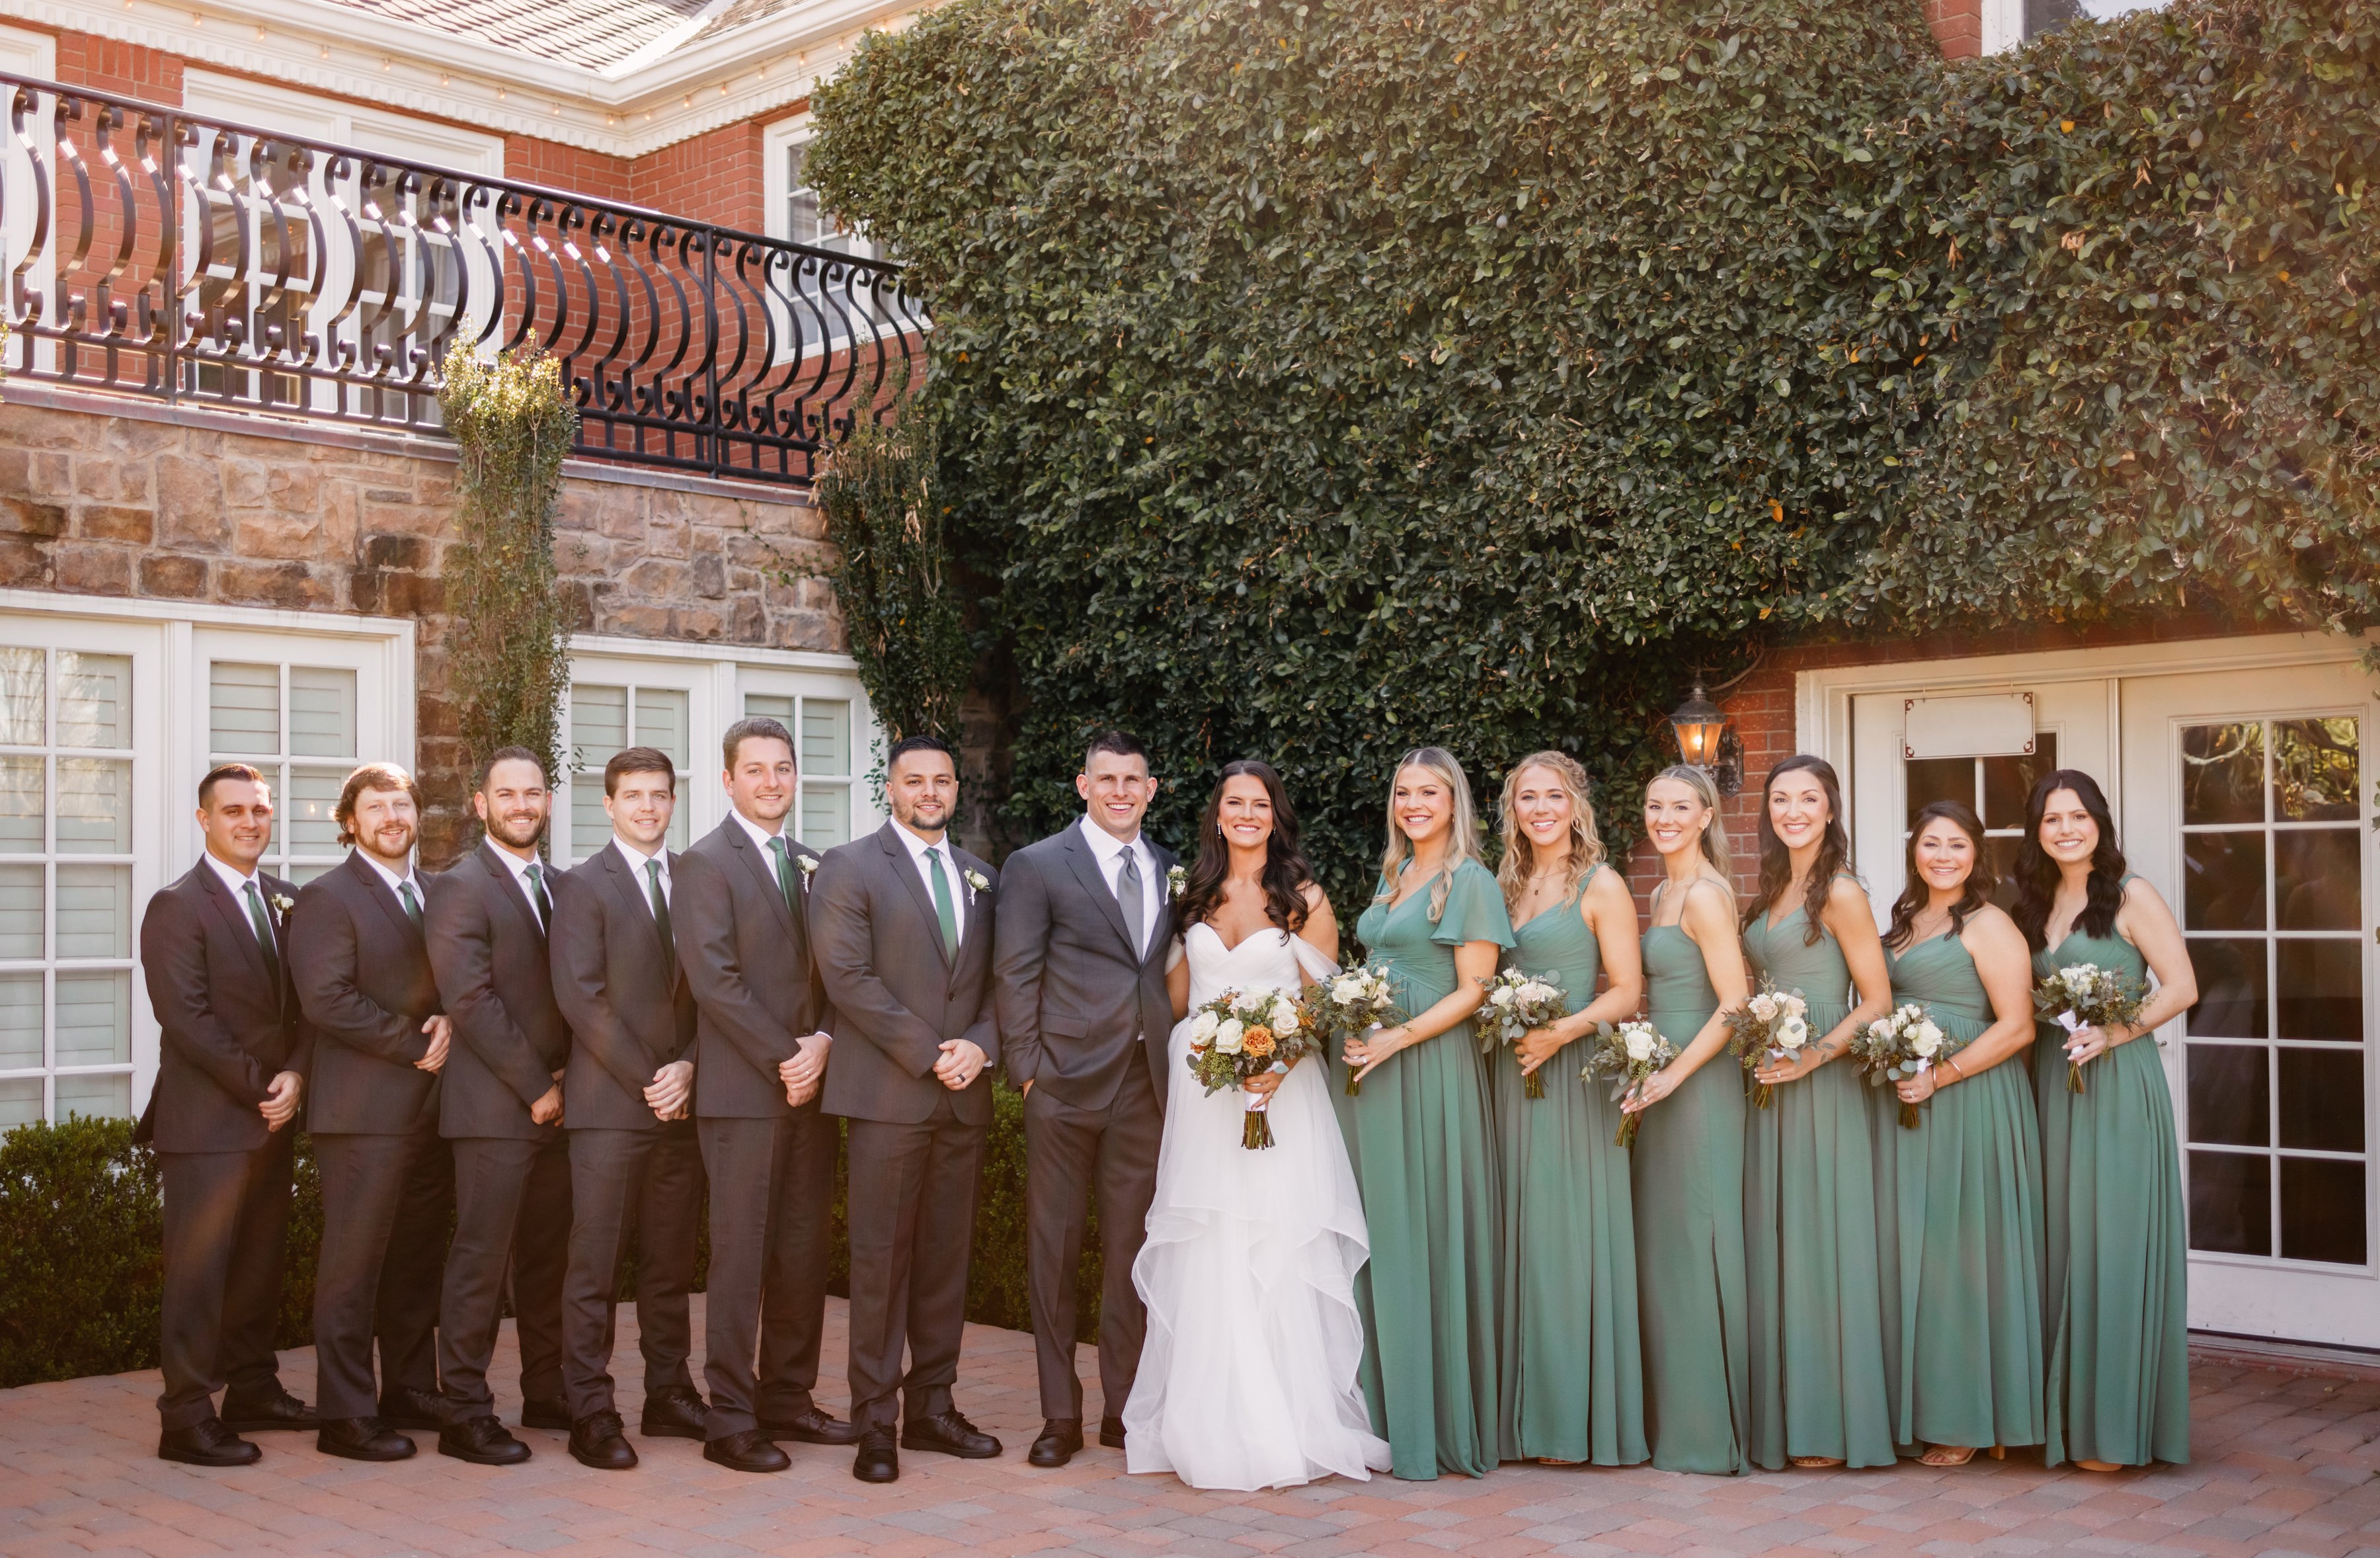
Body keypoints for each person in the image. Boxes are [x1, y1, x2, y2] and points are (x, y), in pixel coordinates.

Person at [1124, 760, 1389, 1490]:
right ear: (1217, 815)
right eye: (1234, 803)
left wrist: (1280, 1058)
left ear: (1276, 815)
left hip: (1284, 1090)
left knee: (1275, 1235)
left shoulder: (1304, 896)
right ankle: (1204, 1418)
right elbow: (1177, 999)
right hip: (1204, 1091)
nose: (1246, 814)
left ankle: (1290, 1420)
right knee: (1210, 1240)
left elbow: (1324, 1000)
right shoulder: (1191, 893)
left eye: (1260, 804)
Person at [813, 734, 1004, 1485]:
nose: (930, 792)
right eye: (915, 780)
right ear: (889, 789)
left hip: (964, 1098)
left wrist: (982, 1045)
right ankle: (876, 1425)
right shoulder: (850, 866)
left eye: (943, 780)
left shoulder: (982, 876)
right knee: (881, 1264)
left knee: (944, 1267)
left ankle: (932, 1410)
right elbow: (848, 977)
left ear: (957, 790)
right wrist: (931, 1051)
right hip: (890, 1098)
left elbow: (1000, 983)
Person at [994, 730, 1179, 1469]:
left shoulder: (1171, 868)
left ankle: (1120, 1408)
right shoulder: (1038, 865)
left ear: (1152, 788)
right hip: (1063, 1085)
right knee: (1054, 1250)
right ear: (1083, 785)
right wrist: (1030, 1073)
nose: (1121, 791)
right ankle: (1058, 1413)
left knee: (1130, 1253)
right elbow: (1014, 973)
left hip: (1144, 1087)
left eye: (1134, 780)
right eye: (1107, 779)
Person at [677, 718, 850, 1474]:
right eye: (756, 770)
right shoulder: (703, 864)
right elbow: (716, 981)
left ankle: (787, 1396)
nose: (772, 781)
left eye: (783, 769)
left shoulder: (813, 864)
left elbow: (844, 969)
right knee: (741, 1258)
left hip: (810, 1090)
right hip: (742, 1092)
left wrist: (824, 1044)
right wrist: (788, 1055)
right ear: (728, 780)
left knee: (802, 1253)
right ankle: (732, 1420)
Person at [1336, 747, 1511, 1480]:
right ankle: (1378, 1413)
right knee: (1380, 1232)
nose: (1414, 803)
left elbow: (1475, 988)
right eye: (1404, 791)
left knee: (1422, 1230)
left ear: (1454, 800)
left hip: (1427, 1068)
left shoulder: (1468, 879)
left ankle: (1429, 1423)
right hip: (1372, 1069)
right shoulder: (1393, 872)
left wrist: (1397, 1037)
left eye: (1429, 792)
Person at [2012, 770, 2192, 1471]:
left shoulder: (2131, 895)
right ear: (2037, 831)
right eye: (2052, 819)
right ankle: (2058, 1415)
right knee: (2060, 1242)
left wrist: (2113, 1035)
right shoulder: (2032, 904)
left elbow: (2183, 985)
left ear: (2100, 822)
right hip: (2055, 1084)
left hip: (2119, 1084)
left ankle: (2113, 1426)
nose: (2065, 829)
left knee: (2112, 1246)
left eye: (2078, 816)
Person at [139, 762, 312, 1467]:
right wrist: (261, 1086)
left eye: (260, 810)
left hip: (272, 1119)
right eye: (234, 810)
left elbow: (308, 1002)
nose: (250, 822)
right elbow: (187, 1018)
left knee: (258, 1265)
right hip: (207, 1125)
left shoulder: (286, 900)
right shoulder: (176, 905)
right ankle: (183, 1416)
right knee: (199, 1273)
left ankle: (253, 1390)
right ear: (204, 819)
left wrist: (297, 1072)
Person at [548, 748, 709, 1471]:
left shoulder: (699, 881)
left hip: (682, 1104)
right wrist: (655, 1076)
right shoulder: (584, 885)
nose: (648, 806)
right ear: (608, 805)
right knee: (596, 1265)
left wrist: (692, 1066)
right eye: (633, 795)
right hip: (611, 1106)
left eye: (660, 795)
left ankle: (669, 1394)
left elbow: (717, 985)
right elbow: (581, 997)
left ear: (673, 802)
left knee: (670, 1263)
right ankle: (590, 1408)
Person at [290, 762, 455, 1462]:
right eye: (376, 806)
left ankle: (411, 1387)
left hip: (433, 1112)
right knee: (354, 1267)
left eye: (402, 804)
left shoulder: (438, 893)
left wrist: (452, 1018)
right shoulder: (327, 898)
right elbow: (325, 998)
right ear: (349, 822)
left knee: (416, 1262)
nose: (393, 816)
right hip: (362, 1113)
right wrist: (415, 1043)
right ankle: (346, 1412)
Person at [1489, 752, 1648, 1469]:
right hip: (1510, 1075)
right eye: (1529, 797)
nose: (1541, 808)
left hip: (1572, 1077)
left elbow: (1626, 989)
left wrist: (1563, 1029)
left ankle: (1569, 1418)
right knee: (1518, 1236)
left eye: (1554, 795)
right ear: (1512, 807)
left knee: (1565, 1238)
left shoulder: (1601, 883)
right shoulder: (1503, 881)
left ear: (1576, 803)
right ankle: (1519, 1416)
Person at [1737, 755, 1895, 1471]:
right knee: (1781, 1242)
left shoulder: (1840, 890)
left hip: (1822, 1080)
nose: (1793, 810)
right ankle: (1786, 1413)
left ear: (1831, 809)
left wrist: (1816, 1055)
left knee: (1822, 1244)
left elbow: (1877, 1000)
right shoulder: (1773, 886)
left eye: (1808, 798)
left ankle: (1830, 1423)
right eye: (1780, 798)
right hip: (1773, 1075)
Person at [1878, 800, 2045, 1465]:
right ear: (1914, 849)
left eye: (1957, 845)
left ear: (1977, 855)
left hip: (1971, 1101)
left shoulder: (1989, 923)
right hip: (1911, 1101)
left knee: (1962, 1256)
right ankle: (1918, 1405)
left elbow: (2019, 1025)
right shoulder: (1904, 922)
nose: (1942, 855)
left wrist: (1941, 1076)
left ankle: (1968, 1419)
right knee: (1915, 1254)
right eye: (1930, 843)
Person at [422, 747, 573, 1465]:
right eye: (506, 794)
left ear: (547, 801)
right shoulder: (461, 887)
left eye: (533, 792)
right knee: (481, 1261)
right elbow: (471, 1000)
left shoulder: (564, 885)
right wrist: (537, 1086)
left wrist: (570, 1077)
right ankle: (465, 1412)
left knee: (548, 1260)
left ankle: (547, 1389)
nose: (521, 804)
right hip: (493, 1108)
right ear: (481, 805)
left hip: (563, 1104)